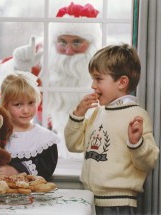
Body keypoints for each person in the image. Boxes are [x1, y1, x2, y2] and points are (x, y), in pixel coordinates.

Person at [0, 2, 102, 158]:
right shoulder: (41, 61)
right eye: (62, 42)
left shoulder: (104, 68)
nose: (69, 51)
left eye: (77, 42)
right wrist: (20, 68)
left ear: (91, 44)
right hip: (40, 149)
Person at [64, 44, 159, 215]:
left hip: (118, 204)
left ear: (122, 82)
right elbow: (73, 145)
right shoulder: (97, 113)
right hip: (91, 199)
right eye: (92, 79)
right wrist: (78, 115)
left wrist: (137, 143)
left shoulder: (137, 115)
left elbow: (149, 161)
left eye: (98, 79)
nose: (93, 85)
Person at [0, 72, 61, 181]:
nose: (26, 110)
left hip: (31, 197)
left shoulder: (45, 139)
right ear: (5, 105)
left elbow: (46, 169)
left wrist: (17, 170)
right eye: (18, 104)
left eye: (31, 102)